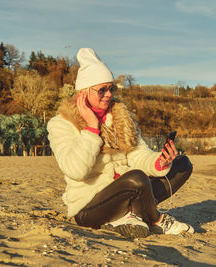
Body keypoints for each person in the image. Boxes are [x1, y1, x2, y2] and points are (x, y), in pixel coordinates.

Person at [47, 48, 194, 238]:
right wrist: (92, 128)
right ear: (83, 93)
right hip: (90, 206)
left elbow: (138, 155)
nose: (108, 95)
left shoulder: (122, 118)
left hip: (129, 191)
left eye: (111, 88)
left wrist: (161, 162)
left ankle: (131, 214)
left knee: (182, 165)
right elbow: (76, 171)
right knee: (137, 178)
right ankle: (156, 219)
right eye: (102, 90)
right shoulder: (61, 124)